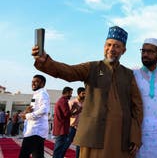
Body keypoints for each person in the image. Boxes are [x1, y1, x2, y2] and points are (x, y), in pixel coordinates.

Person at [32, 26, 143, 158]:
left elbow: (137, 107)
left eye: (117, 46)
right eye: (108, 45)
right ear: (104, 46)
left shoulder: (128, 75)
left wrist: (135, 136)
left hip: (121, 139)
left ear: (123, 50)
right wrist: (46, 61)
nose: (111, 49)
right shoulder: (92, 68)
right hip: (93, 135)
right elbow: (68, 71)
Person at [18, 74, 50, 158]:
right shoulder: (37, 94)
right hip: (35, 131)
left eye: (36, 82)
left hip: (35, 131)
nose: (33, 83)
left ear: (42, 84)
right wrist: (26, 112)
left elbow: (44, 110)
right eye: (32, 82)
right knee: (38, 155)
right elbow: (34, 110)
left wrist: (27, 116)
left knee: (23, 155)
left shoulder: (42, 93)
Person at [63, 87, 86, 157]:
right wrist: (77, 111)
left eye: (85, 93)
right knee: (67, 143)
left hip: (81, 127)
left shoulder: (86, 103)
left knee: (79, 145)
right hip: (72, 127)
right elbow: (67, 115)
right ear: (79, 94)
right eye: (83, 93)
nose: (85, 95)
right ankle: (60, 156)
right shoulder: (72, 102)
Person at [53, 86, 73, 158]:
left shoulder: (62, 100)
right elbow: (67, 114)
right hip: (62, 128)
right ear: (67, 92)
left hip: (61, 127)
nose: (71, 95)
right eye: (70, 93)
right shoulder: (63, 101)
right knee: (59, 148)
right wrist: (74, 109)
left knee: (59, 147)